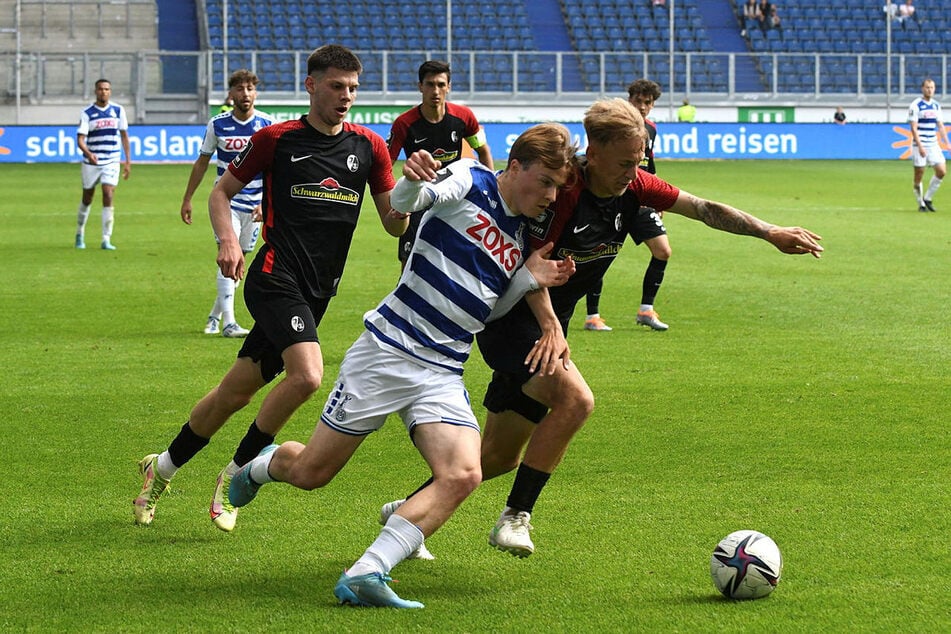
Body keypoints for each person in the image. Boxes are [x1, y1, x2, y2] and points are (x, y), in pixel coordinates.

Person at [384, 98, 823, 559]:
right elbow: (529, 264)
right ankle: (515, 517)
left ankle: (409, 511)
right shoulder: (562, 191)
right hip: (512, 319)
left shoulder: (634, 187)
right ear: (592, 154)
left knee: (496, 457)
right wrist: (552, 328)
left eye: (638, 162)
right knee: (576, 400)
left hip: (549, 325)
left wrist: (769, 232)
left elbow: (703, 207)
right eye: (623, 163)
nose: (632, 172)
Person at [228, 123, 579, 608]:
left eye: (558, 188)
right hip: (386, 353)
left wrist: (525, 281)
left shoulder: (519, 235)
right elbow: (412, 202)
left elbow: (486, 310)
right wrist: (412, 179)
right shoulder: (469, 177)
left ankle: (368, 571)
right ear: (515, 166)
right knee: (313, 472)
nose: (551, 195)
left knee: (463, 473)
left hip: (442, 369)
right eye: (545, 181)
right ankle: (265, 465)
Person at [132, 44, 409, 533]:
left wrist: (411, 196)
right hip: (274, 276)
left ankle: (163, 469)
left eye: (353, 89)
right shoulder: (276, 139)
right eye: (336, 87)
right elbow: (221, 193)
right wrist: (228, 242)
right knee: (307, 376)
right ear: (311, 85)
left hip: (318, 293)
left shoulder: (370, 146)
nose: (346, 97)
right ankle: (238, 473)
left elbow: (392, 222)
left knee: (231, 395)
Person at [180, 69, 275, 338]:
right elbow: (202, 162)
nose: (245, 94)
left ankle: (214, 316)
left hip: (255, 205)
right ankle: (230, 323)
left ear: (255, 93)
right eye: (240, 89)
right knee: (227, 254)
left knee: (238, 261)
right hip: (226, 203)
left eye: (249, 89)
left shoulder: (268, 124)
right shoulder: (217, 124)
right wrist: (188, 198)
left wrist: (266, 203)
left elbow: (274, 169)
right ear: (231, 94)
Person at [387, 60, 494, 270]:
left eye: (441, 84)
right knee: (409, 260)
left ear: (449, 86)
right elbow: (386, 163)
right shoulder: (404, 123)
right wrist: (396, 199)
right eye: (430, 84)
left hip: (453, 197)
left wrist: (490, 189)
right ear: (420, 86)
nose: (435, 91)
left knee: (456, 260)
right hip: (418, 199)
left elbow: (483, 150)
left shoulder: (464, 117)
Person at [583, 78, 671, 332]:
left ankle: (646, 310)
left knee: (662, 251)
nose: (643, 107)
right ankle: (592, 316)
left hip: (640, 197)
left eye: (648, 103)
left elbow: (648, 166)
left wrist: (657, 196)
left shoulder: (651, 130)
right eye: (638, 101)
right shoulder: (611, 129)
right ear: (629, 100)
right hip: (612, 196)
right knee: (597, 253)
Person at [75, 78, 131, 250]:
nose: (103, 92)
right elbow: (80, 139)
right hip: (92, 162)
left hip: (112, 160)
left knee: (108, 194)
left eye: (107, 89)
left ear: (110, 91)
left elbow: (124, 136)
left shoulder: (118, 110)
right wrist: (88, 153)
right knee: (87, 197)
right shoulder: (87, 113)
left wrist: (127, 161)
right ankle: (80, 232)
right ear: (95, 91)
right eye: (100, 89)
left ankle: (106, 238)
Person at [908, 78, 948, 212]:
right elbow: (914, 128)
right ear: (922, 88)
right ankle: (921, 203)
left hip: (933, 144)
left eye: (932, 87)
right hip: (920, 144)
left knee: (942, 171)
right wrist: (919, 146)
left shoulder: (936, 105)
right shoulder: (916, 105)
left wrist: (947, 142)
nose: (929, 90)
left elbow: (940, 125)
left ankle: (928, 198)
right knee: (919, 174)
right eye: (927, 87)